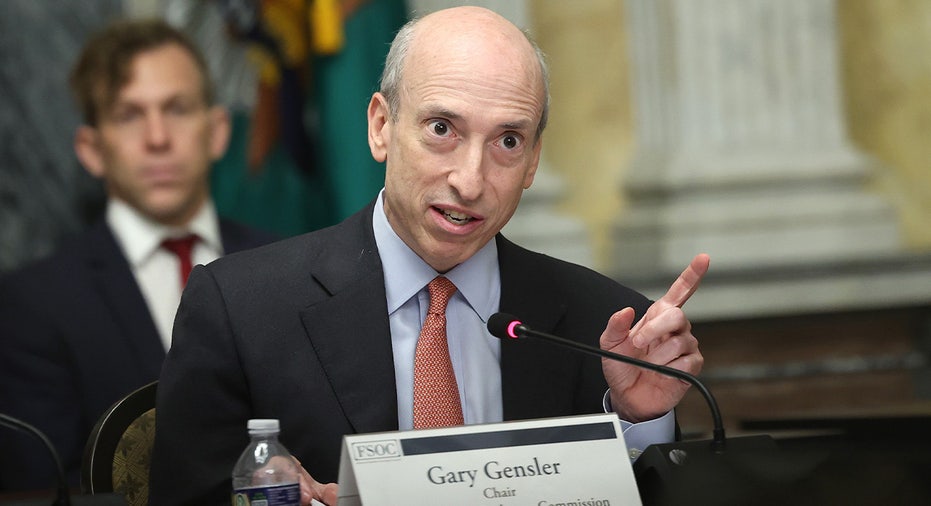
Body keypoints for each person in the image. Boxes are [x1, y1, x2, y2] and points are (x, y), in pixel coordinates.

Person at [150, 6, 708, 505]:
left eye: (507, 142)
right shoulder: (240, 309)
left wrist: (640, 420)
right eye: (442, 129)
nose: (470, 181)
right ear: (381, 127)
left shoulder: (604, 325)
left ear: (534, 161)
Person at [0, 19, 277, 491]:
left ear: (216, 131)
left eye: (177, 108)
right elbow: (44, 490)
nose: (157, 138)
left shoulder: (284, 265)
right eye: (129, 115)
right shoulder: (32, 303)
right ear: (91, 149)